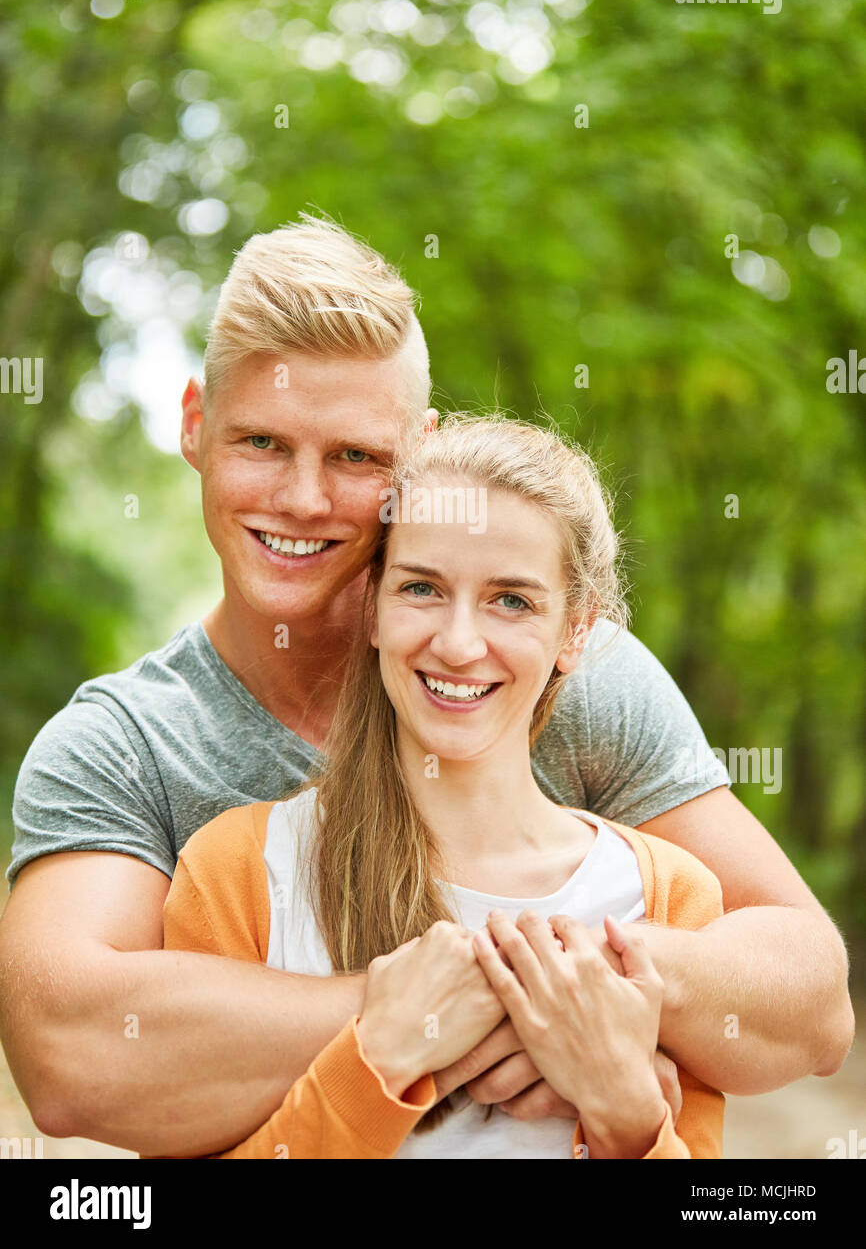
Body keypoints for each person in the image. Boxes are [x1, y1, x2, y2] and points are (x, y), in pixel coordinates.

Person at [0, 218, 853, 1158]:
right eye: (261, 442)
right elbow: (70, 1056)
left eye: (357, 457)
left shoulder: (566, 674)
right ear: (195, 425)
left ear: (420, 458)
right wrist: (431, 1016)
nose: (303, 498)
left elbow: (810, 1008)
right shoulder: (126, 745)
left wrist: (581, 999)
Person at [161, 415, 725, 1159]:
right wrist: (378, 1060)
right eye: (422, 588)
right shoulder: (236, 873)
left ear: (576, 630)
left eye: (512, 601)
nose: (459, 644)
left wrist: (626, 1115)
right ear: (372, 606)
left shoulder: (670, 899)